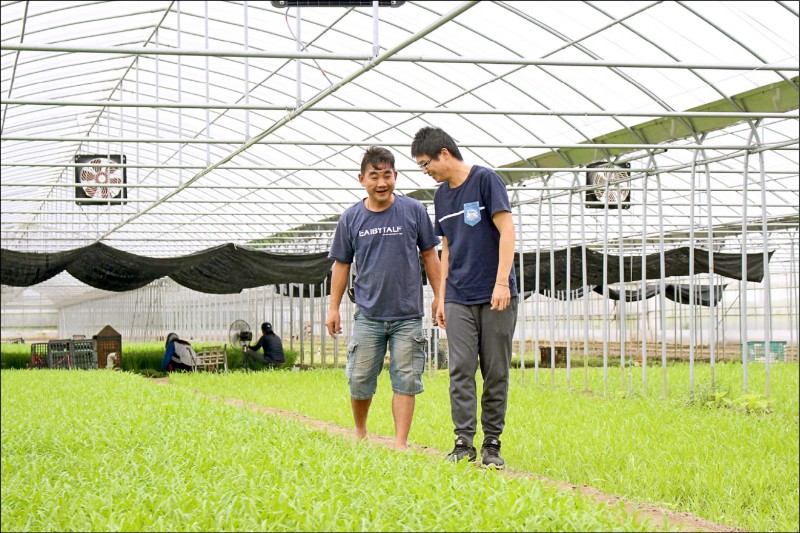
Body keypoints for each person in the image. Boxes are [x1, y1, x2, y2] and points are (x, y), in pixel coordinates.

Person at [411, 126, 518, 469]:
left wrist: (502, 283)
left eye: (426, 163)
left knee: (496, 369)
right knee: (460, 368)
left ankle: (492, 443)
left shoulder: (487, 181)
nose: (425, 171)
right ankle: (463, 442)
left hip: (494, 294)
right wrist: (440, 296)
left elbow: (507, 230)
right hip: (457, 294)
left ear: (444, 153)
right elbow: (447, 246)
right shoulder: (441, 197)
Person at [325, 145, 441, 450]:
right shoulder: (351, 218)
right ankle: (361, 433)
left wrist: (439, 295)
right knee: (360, 377)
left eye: (387, 175)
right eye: (374, 176)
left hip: (407, 314)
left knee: (406, 378)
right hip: (368, 314)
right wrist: (333, 307)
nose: (381, 183)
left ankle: (400, 443)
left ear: (396, 176)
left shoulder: (414, 210)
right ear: (361, 179)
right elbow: (341, 264)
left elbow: (430, 254)